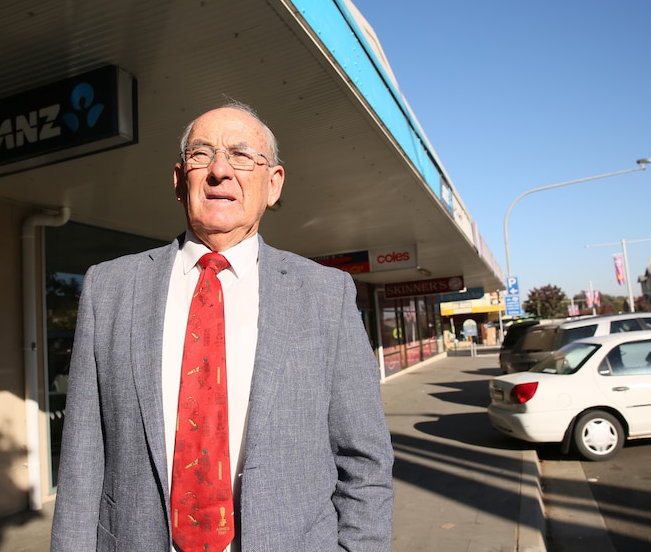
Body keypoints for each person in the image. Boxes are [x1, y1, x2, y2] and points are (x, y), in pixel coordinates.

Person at [51, 101, 395, 552]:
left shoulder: (326, 295)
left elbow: (365, 460)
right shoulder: (110, 289)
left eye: (241, 155)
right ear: (179, 181)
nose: (219, 171)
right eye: (201, 155)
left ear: (273, 184)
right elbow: (81, 461)